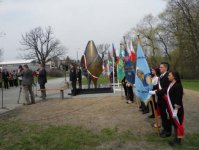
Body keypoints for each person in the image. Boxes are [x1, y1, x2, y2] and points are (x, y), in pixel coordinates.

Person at [150, 62, 172, 138]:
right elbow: (158, 87)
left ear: (165, 68)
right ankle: (164, 128)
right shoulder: (161, 76)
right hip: (160, 98)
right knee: (162, 115)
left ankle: (168, 131)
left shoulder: (168, 76)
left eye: (161, 67)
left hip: (165, 99)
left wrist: (155, 92)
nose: (160, 68)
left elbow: (166, 89)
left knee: (166, 116)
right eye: (160, 67)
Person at [167, 72, 184, 146]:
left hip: (177, 109)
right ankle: (175, 139)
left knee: (178, 124)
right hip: (172, 107)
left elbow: (178, 99)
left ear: (174, 77)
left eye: (169, 75)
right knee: (174, 124)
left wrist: (176, 110)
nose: (168, 76)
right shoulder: (171, 84)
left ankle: (178, 141)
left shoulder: (177, 85)